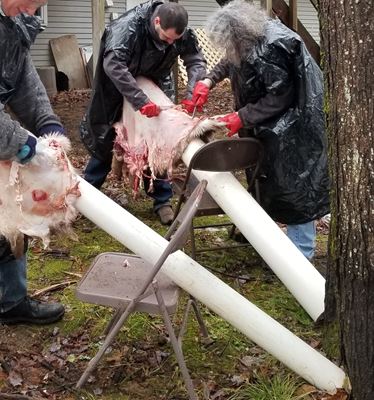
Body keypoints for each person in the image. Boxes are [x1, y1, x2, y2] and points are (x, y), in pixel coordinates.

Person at [185, 0, 329, 260]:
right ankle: (262, 236)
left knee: (295, 189)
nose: (230, 48)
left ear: (240, 33)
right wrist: (208, 80)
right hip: (267, 125)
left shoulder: (272, 46)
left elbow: (282, 95)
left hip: (294, 127)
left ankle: (301, 257)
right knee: (265, 178)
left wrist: (242, 116)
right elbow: (231, 61)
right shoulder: (248, 38)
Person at [80, 0, 207, 225]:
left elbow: (195, 59)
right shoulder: (127, 28)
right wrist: (139, 99)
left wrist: (193, 90)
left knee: (160, 139)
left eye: (174, 41)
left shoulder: (181, 34)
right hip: (116, 88)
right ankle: (84, 197)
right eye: (166, 38)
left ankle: (162, 200)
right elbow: (114, 65)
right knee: (105, 138)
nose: (170, 43)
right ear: (156, 21)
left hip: (156, 83)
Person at [0, 0, 65, 324]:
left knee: (10, 219)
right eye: (29, 2)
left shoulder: (15, 20)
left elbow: (22, 78)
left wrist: (46, 123)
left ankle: (11, 303)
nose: (32, 11)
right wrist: (21, 142)